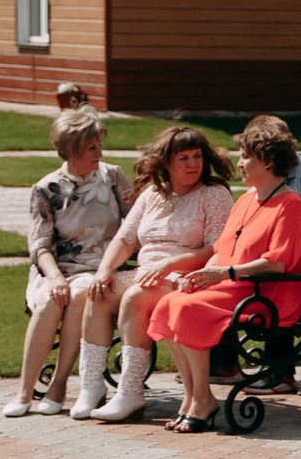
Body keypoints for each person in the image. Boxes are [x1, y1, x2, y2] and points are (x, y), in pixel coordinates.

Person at [146, 119, 301, 432]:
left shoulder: (291, 205)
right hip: (232, 286)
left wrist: (225, 272)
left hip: (263, 295)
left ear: (269, 160)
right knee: (170, 302)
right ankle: (195, 396)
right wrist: (202, 274)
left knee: (185, 308)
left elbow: (277, 264)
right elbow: (223, 248)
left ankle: (201, 400)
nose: (240, 163)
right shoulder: (248, 199)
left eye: (246, 156)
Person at [84, 126, 235, 424]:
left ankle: (130, 391)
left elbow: (216, 248)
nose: (193, 164)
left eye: (197, 156)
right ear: (166, 163)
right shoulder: (154, 193)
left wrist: (169, 265)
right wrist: (104, 270)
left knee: (135, 298)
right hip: (146, 273)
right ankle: (91, 387)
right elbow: (126, 239)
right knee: (96, 293)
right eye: (183, 158)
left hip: (186, 279)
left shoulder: (213, 195)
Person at [8, 107, 135, 419]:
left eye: (99, 145)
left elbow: (135, 224)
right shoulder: (46, 188)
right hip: (57, 268)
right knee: (54, 298)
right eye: (92, 147)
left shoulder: (113, 176)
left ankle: (59, 385)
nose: (100, 152)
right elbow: (39, 246)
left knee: (80, 295)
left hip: (103, 267)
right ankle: (24, 390)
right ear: (73, 149)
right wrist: (54, 277)